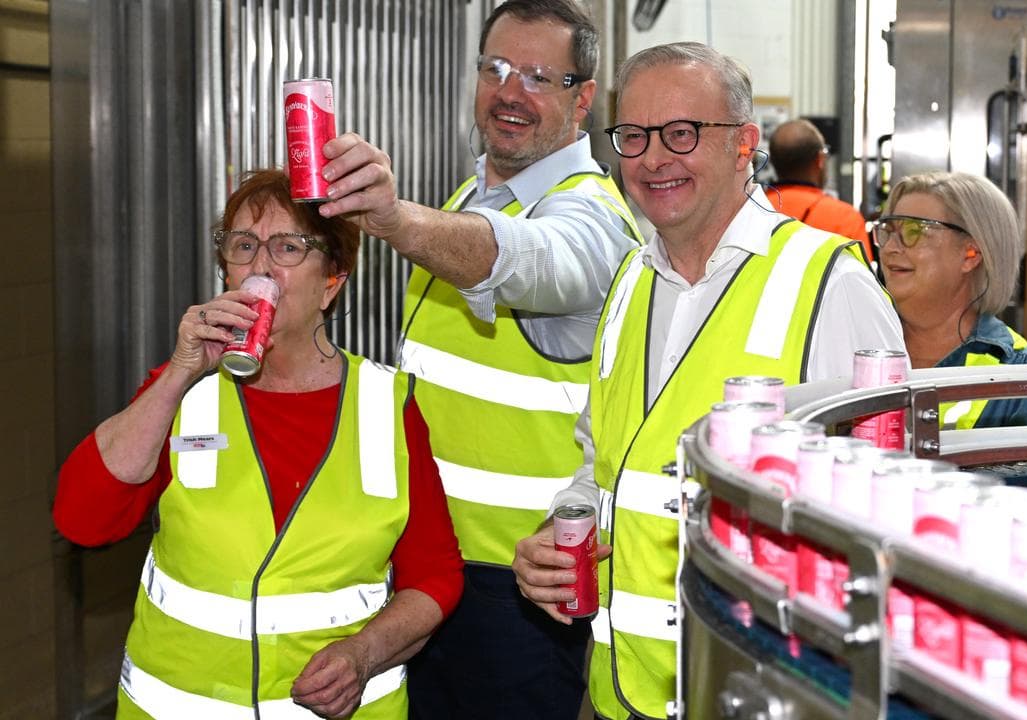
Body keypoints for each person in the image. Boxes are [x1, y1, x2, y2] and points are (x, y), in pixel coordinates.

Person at [510, 42, 905, 720]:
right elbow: (603, 463)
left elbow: (887, 512)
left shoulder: (828, 285)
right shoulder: (630, 282)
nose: (653, 159)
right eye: (634, 136)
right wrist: (562, 528)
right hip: (618, 692)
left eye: (682, 133)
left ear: (744, 144)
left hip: (756, 695)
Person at [316, 1, 641, 717]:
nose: (509, 92)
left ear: (583, 98)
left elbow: (533, 259)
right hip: (432, 567)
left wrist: (396, 219)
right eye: (495, 68)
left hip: (519, 583)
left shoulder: (592, 215)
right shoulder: (474, 196)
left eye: (539, 76)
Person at [51, 168, 463, 719]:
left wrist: (364, 654)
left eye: (288, 247)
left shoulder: (386, 405)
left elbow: (435, 576)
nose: (260, 268)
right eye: (243, 246)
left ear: (333, 281)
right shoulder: (186, 393)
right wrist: (178, 373)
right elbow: (82, 519)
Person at [875, 171, 1027, 428]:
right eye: (888, 231)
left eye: (914, 231)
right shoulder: (858, 343)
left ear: (971, 254)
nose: (890, 248)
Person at [767, 118, 873, 260]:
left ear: (772, 161)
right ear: (820, 159)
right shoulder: (845, 218)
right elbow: (861, 272)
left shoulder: (750, 209)